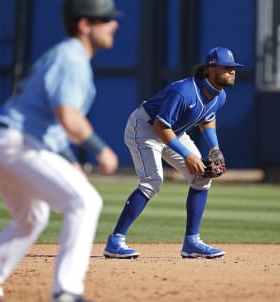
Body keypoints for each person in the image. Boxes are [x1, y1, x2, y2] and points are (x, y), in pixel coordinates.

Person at [0, 0, 121, 302]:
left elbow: (51, 122)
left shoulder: (66, 55)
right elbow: (68, 117)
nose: (113, 25)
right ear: (84, 25)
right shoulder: (73, 57)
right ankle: (66, 295)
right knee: (85, 202)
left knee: (30, 220)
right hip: (18, 144)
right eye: (105, 19)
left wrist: (69, 160)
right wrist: (101, 149)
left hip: (8, 141)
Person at [103, 47, 243, 259]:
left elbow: (208, 118)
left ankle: (192, 242)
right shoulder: (184, 91)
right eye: (227, 67)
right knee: (152, 181)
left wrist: (214, 147)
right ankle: (116, 241)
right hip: (144, 129)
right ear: (210, 69)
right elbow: (160, 127)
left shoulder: (219, 95)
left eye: (233, 68)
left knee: (202, 177)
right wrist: (187, 155)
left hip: (174, 132)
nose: (232, 72)